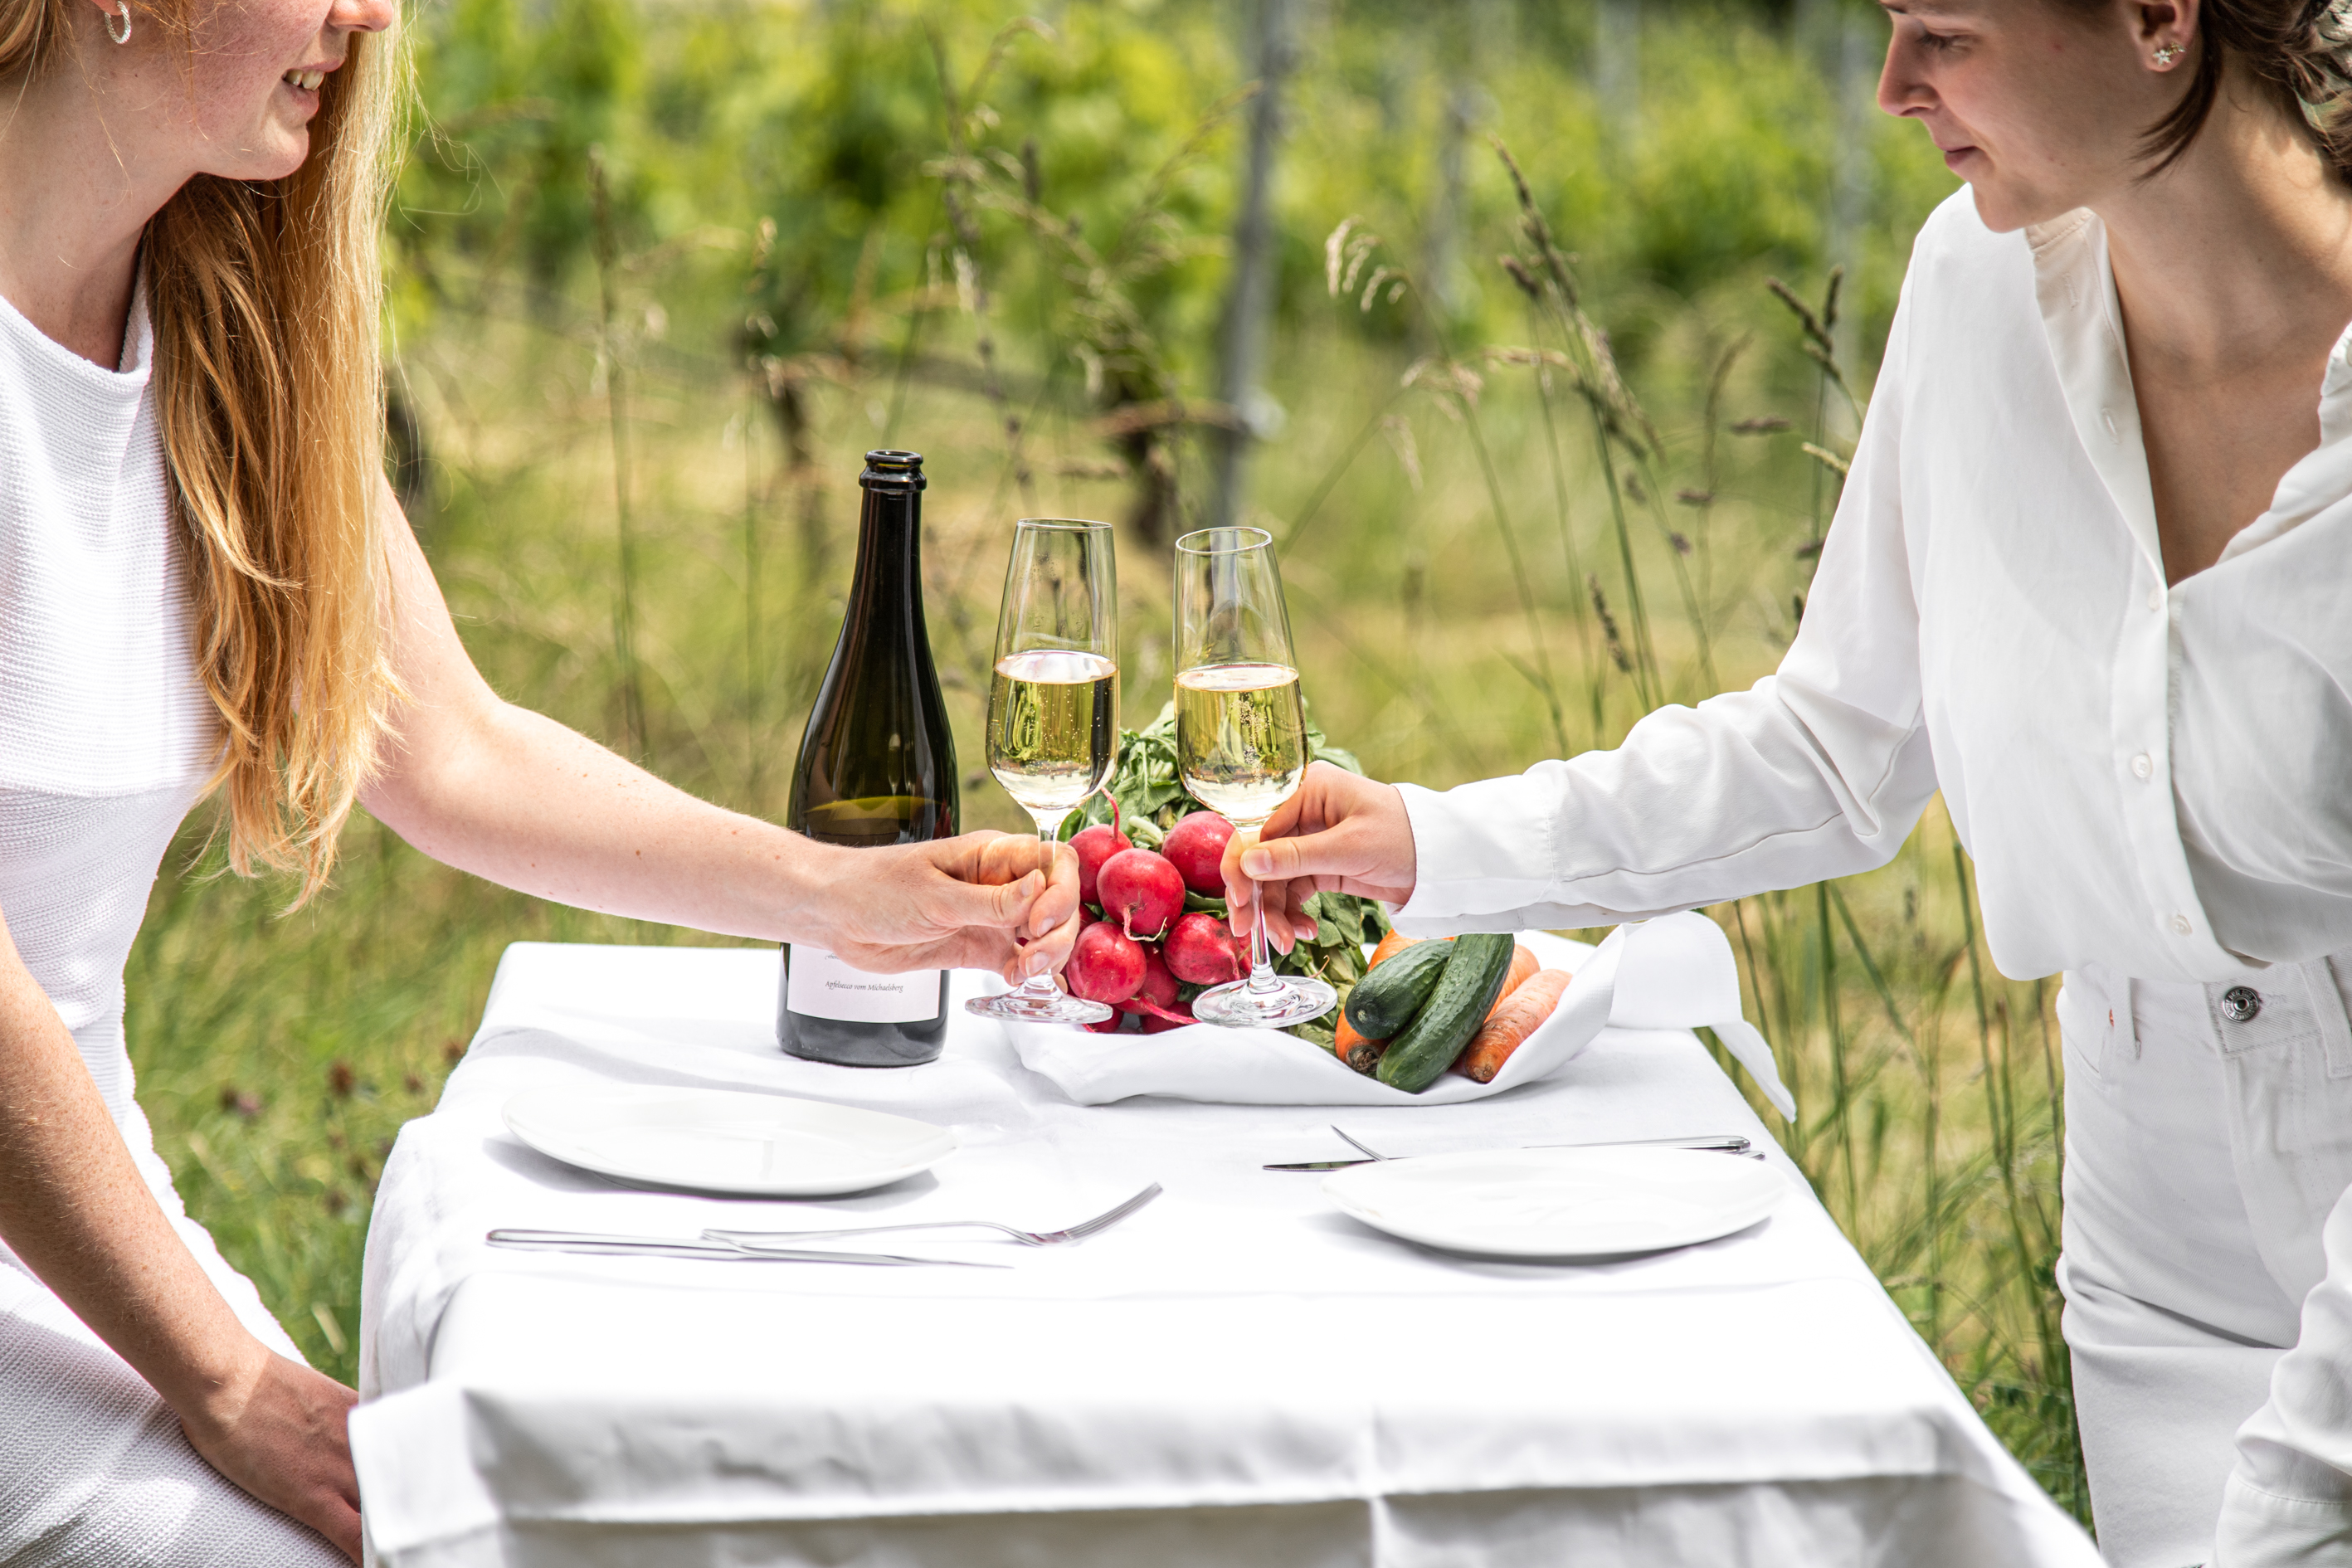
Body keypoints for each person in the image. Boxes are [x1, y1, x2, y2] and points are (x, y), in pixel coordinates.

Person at [1226, 0, 2352, 1561]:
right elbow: (1835, 745)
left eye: (1943, 32)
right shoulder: (1975, 287)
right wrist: (1430, 840)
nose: (1894, 89)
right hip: (2152, 1235)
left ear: (2160, 17)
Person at [0, 0, 1081, 1562]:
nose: (368, 16)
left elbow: (449, 745)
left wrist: (841, 896)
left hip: (84, 1226)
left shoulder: (216, 330)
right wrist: (224, 1376)